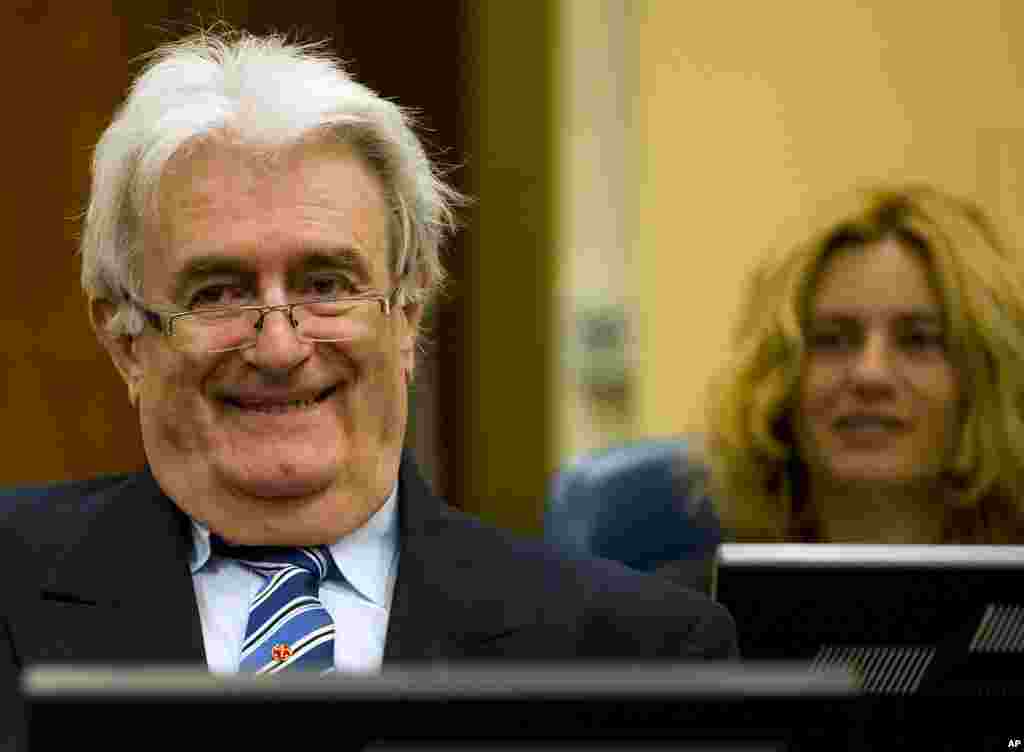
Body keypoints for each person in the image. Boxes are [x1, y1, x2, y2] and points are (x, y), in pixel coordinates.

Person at [0, 27, 736, 749]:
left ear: (407, 315)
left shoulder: (640, 656)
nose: (280, 347)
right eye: (219, 292)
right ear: (127, 339)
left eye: (326, 285)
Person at [702, 184, 1024, 545]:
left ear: (989, 375)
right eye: (831, 339)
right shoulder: (685, 601)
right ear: (770, 380)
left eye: (918, 339)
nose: (871, 374)